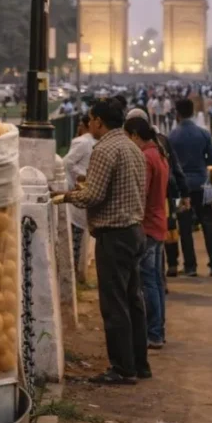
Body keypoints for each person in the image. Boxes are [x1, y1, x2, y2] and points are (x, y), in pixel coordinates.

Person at [63, 100, 149, 385]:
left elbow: (93, 196)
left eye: (90, 119)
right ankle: (139, 363)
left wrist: (66, 196)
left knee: (115, 304)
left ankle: (122, 369)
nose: (89, 124)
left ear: (99, 121)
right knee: (133, 300)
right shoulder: (131, 147)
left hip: (115, 235)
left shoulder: (105, 148)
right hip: (134, 230)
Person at [124, 116, 170, 347]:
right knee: (156, 281)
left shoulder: (146, 158)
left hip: (149, 225)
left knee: (149, 281)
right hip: (158, 222)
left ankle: (153, 333)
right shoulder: (159, 154)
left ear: (134, 135)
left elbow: (141, 193)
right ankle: (157, 329)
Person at [168, 97, 212, 277]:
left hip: (182, 189)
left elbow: (169, 163)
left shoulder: (172, 136)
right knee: (207, 222)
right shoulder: (203, 133)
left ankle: (190, 266)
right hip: (203, 184)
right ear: (192, 112)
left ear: (177, 114)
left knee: (184, 227)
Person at [63, 116, 97, 285]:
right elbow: (68, 163)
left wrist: (82, 177)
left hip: (81, 192)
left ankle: (76, 274)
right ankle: (74, 275)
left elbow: (68, 162)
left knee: (78, 235)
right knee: (76, 236)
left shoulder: (86, 142)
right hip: (77, 193)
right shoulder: (85, 142)